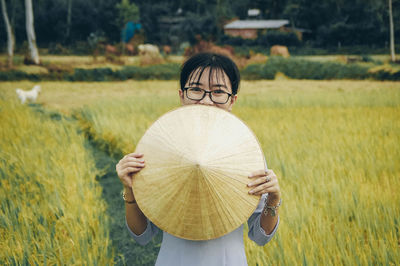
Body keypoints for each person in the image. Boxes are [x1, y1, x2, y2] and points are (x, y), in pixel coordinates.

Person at [116, 52, 281, 266]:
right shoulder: (159, 147)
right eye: (195, 90)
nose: (205, 100)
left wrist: (274, 199)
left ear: (232, 100)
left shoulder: (245, 152)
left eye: (218, 92)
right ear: (182, 95)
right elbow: (142, 235)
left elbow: (260, 236)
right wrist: (130, 190)